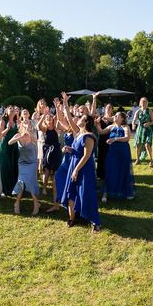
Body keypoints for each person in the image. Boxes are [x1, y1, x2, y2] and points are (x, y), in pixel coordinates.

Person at [59, 99, 101, 232]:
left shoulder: (89, 136)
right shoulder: (78, 133)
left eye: (81, 118)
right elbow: (70, 119)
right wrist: (68, 149)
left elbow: (87, 155)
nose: (77, 119)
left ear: (86, 122)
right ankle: (72, 218)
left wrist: (76, 170)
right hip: (73, 164)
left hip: (84, 168)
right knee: (71, 191)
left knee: (86, 192)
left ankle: (95, 221)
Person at [97, 111, 134, 202]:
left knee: (123, 170)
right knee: (110, 170)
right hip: (112, 152)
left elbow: (127, 138)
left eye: (117, 116)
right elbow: (101, 132)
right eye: (115, 115)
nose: (115, 117)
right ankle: (105, 193)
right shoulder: (111, 126)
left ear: (122, 118)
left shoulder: (126, 127)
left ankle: (125, 192)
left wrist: (115, 139)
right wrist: (97, 124)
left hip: (123, 152)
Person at [8, 119, 41, 216]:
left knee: (31, 182)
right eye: (25, 124)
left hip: (32, 163)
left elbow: (36, 141)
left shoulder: (32, 136)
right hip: (22, 163)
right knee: (21, 182)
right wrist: (20, 137)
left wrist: (29, 133)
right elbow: (10, 142)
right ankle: (17, 203)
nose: (27, 126)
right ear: (21, 125)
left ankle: (36, 203)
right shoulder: (18, 135)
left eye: (29, 124)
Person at [37, 112, 62, 199]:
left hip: (56, 150)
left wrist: (57, 109)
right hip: (47, 150)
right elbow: (38, 126)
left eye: (50, 117)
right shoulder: (45, 129)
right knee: (46, 170)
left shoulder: (55, 128)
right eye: (47, 118)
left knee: (56, 169)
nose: (48, 118)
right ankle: (44, 188)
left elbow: (59, 120)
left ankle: (55, 186)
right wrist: (43, 115)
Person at [0, 106, 20, 197]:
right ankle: (5, 189)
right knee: (5, 167)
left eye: (13, 109)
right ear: (6, 111)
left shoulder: (16, 121)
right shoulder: (3, 121)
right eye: (10, 109)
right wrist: (7, 128)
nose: (12, 110)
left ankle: (13, 188)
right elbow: (0, 135)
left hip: (14, 146)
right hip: (5, 146)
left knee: (14, 166)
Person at [132, 97, 153, 165]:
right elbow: (134, 120)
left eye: (145, 101)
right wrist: (133, 125)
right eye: (142, 102)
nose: (144, 103)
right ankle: (138, 160)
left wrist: (149, 123)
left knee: (147, 145)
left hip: (148, 130)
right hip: (140, 129)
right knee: (138, 144)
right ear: (140, 103)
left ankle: (151, 161)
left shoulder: (150, 111)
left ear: (147, 103)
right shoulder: (138, 111)